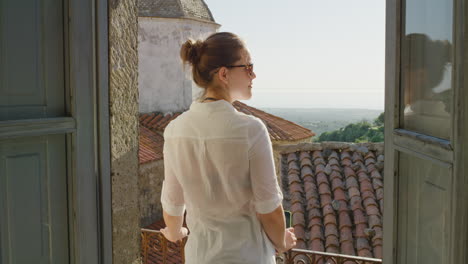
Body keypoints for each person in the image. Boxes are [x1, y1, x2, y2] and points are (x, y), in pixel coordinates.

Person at [159, 32, 297, 263]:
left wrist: (175, 233)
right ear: (224, 74)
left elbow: (173, 204)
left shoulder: (174, 130)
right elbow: (269, 208)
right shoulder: (251, 130)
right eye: (248, 67)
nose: (254, 74)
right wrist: (282, 242)